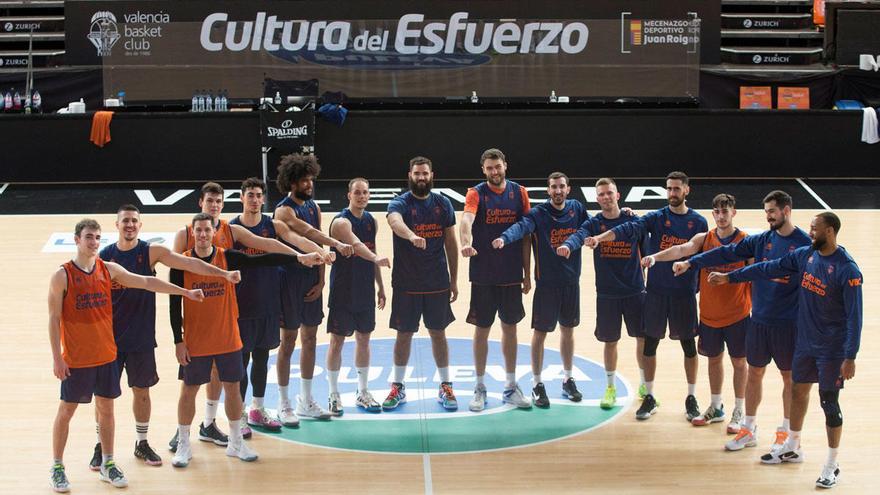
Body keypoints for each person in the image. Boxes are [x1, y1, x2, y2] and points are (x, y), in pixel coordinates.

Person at [707, 211, 862, 489]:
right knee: (798, 391)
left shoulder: (847, 269)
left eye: (815, 229)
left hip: (831, 350)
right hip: (804, 342)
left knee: (829, 404)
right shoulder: (805, 256)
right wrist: (731, 278)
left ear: (830, 231)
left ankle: (831, 464)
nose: (809, 232)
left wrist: (850, 357)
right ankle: (793, 446)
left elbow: (855, 317)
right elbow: (768, 268)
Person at [48, 219, 204, 493]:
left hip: (106, 355)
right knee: (66, 411)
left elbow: (146, 281)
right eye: (88, 237)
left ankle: (108, 463)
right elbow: (53, 319)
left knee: (107, 410)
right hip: (76, 358)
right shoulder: (62, 276)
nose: (94, 242)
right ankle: (57, 466)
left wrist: (185, 292)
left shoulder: (108, 269)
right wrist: (57, 358)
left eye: (97, 237)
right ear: (76, 240)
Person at [169, 181, 323, 450]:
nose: (214, 206)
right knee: (193, 380)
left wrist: (300, 257)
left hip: (227, 313)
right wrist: (178, 334)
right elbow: (175, 277)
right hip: (196, 319)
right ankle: (183, 431)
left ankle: (208, 422)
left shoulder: (231, 232)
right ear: (200, 205)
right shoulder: (186, 235)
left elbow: (265, 246)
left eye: (218, 202)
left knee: (222, 373)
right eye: (210, 202)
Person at [91, 205, 239, 470]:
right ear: (117, 225)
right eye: (125, 221)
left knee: (142, 393)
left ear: (140, 225)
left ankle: (142, 442)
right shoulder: (104, 257)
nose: (130, 225)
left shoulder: (151, 252)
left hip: (141, 338)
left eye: (134, 221)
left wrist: (223, 273)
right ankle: (101, 445)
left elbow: (189, 262)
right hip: (109, 340)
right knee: (104, 398)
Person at [674, 190, 811, 454]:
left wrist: (730, 278)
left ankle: (785, 433)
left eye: (773, 211)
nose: (769, 216)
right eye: (766, 212)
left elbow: (764, 270)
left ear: (786, 210)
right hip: (759, 320)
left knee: (789, 378)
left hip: (787, 323)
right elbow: (725, 253)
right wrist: (691, 262)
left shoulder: (803, 245)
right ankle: (749, 428)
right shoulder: (762, 241)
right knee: (754, 374)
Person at [584, 171, 708, 421]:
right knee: (650, 344)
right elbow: (627, 228)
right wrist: (599, 237)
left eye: (676, 189)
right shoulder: (656, 218)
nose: (672, 193)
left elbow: (702, 258)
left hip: (684, 294)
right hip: (656, 293)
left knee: (688, 347)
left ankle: (692, 396)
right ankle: (649, 395)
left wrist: (701, 288)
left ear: (686, 190)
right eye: (669, 189)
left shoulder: (699, 222)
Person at [231, 177, 333, 434]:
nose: (254, 200)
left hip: (268, 301)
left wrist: (321, 252)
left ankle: (258, 408)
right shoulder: (230, 229)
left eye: (258, 195)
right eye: (250, 195)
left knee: (262, 358)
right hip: (241, 305)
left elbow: (297, 239)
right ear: (241, 198)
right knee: (241, 362)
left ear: (264, 199)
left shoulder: (273, 225)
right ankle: (239, 413)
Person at [643, 193, 750, 431]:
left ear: (734, 212)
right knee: (714, 360)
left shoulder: (745, 242)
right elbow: (681, 249)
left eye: (726, 211)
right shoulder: (705, 238)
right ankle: (716, 406)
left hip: (738, 314)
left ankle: (739, 409)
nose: (721, 216)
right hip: (710, 315)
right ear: (713, 214)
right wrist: (654, 257)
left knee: (739, 363)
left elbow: (756, 272)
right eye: (717, 212)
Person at [274, 154, 355, 423]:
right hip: (289, 281)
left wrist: (321, 280)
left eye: (311, 179)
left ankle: (305, 399)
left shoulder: (315, 207)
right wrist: (336, 244)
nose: (309, 184)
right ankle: (284, 402)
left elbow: (316, 237)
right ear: (291, 182)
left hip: (311, 282)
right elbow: (308, 233)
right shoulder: (284, 211)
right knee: (287, 343)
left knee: (310, 340)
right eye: (304, 180)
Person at [495, 172, 587, 407]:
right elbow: (522, 227)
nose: (558, 191)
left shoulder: (577, 208)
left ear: (568, 189)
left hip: (571, 284)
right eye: (553, 187)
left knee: (568, 331)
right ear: (548, 191)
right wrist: (505, 238)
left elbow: (594, 226)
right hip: (546, 285)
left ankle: (568, 379)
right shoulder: (539, 213)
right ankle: (537, 384)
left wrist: (624, 213)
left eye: (561, 187)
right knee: (540, 335)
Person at [559, 178, 648, 410]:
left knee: (642, 339)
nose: (606, 197)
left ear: (618, 195)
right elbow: (579, 235)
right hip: (607, 293)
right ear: (596, 199)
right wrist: (569, 245)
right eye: (601, 194)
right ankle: (610, 388)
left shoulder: (633, 220)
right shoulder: (594, 222)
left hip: (635, 290)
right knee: (610, 342)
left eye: (609, 193)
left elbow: (647, 256)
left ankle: (645, 387)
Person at [383, 156, 460, 411]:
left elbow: (451, 242)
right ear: (410, 175)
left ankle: (446, 384)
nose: (421, 178)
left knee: (438, 333)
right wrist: (411, 235)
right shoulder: (401, 202)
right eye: (417, 174)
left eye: (425, 174)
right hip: (406, 282)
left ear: (431, 175)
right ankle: (398, 386)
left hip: (437, 280)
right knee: (404, 334)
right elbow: (394, 222)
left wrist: (454, 279)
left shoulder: (443, 204)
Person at [458, 148, 532, 411]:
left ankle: (511, 386)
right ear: (484, 170)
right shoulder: (476, 193)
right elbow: (466, 220)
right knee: (482, 330)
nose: (494, 172)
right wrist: (465, 243)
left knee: (510, 328)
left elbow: (526, 234)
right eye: (489, 168)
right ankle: (479, 386)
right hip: (483, 273)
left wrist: (527, 272)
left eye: (497, 167)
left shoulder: (519, 192)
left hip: (511, 274)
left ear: (505, 166)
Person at [325, 178, 390, 415]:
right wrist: (375, 258)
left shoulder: (372, 220)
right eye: (358, 193)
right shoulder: (341, 222)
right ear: (348, 195)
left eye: (365, 193)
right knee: (337, 341)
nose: (362, 196)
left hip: (364, 290)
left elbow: (372, 251)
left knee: (364, 339)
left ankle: (363, 392)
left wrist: (380, 287)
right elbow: (359, 246)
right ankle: (333, 394)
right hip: (343, 291)